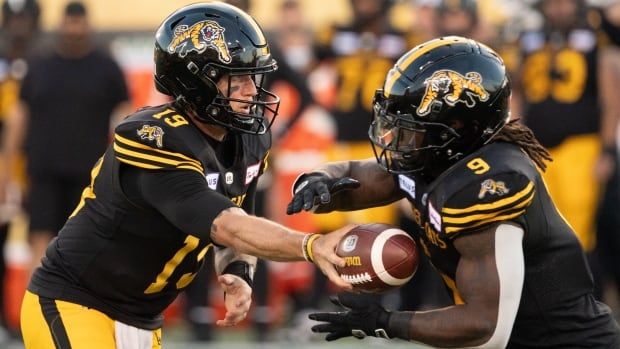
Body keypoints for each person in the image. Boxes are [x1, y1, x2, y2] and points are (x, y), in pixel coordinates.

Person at [19, 3, 351, 348]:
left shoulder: (248, 139)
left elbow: (239, 222)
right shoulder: (154, 138)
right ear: (195, 82)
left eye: (254, 76)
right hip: (75, 301)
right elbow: (226, 225)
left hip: (142, 319)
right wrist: (310, 245)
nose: (252, 90)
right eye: (237, 79)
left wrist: (237, 273)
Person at [290, 36, 620, 347]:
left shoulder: (488, 185)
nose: (396, 140)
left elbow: (486, 328)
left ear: (458, 127)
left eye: (410, 130)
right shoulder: (436, 157)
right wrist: (320, 179)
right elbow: (355, 175)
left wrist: (384, 321)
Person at [1, 1, 132, 274]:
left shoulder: (106, 67)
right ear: (62, 24)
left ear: (87, 24)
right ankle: (35, 312)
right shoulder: (40, 66)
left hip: (90, 173)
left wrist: (125, 167)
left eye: (78, 23)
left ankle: (77, 312)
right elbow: (19, 119)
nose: (74, 29)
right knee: (40, 240)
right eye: (69, 23)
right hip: (44, 170)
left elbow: (124, 117)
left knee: (85, 243)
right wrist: (7, 168)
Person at [513, 0, 620, 300]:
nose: (558, 9)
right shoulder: (530, 37)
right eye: (552, 4)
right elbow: (518, 91)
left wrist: (608, 150)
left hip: (581, 146)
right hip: (537, 147)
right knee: (540, 230)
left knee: (578, 231)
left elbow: (612, 97)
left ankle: (586, 302)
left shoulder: (596, 36)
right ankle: (553, 301)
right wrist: (515, 137)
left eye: (564, 3)